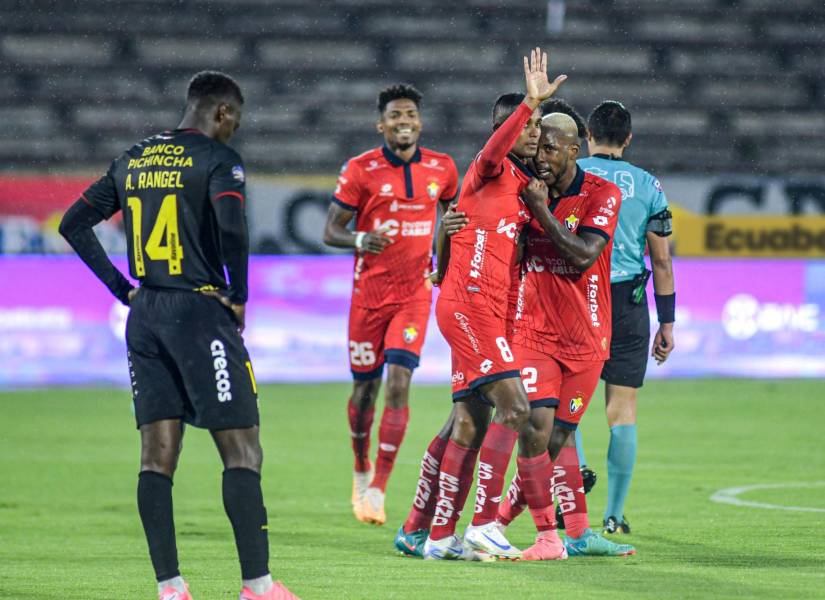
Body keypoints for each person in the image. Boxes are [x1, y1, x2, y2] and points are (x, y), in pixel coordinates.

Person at [59, 71, 298, 600]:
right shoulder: (218, 161)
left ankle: (171, 588)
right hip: (200, 310)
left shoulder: (134, 158)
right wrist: (239, 296)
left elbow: (73, 223)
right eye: (235, 118)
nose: (234, 128)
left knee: (156, 456)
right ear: (222, 113)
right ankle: (258, 587)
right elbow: (233, 228)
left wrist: (124, 290)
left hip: (145, 315)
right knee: (242, 449)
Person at [400, 48, 568, 561]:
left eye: (539, 124)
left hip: (489, 310)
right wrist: (529, 104)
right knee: (515, 408)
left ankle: (437, 536)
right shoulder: (489, 168)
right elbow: (494, 152)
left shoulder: (522, 187)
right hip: (470, 305)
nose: (534, 131)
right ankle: (485, 524)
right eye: (529, 124)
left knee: (468, 422)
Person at [494, 113, 635, 557]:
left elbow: (584, 256)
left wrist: (539, 210)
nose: (539, 159)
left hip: (588, 341)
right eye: (536, 149)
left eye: (550, 150)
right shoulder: (523, 191)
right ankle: (543, 535)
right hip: (533, 333)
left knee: (553, 443)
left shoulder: (602, 194)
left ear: (575, 150)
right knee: (534, 429)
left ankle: (502, 524)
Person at [322, 84, 459, 526]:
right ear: (381, 125)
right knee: (365, 392)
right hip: (369, 298)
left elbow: (454, 221)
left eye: (411, 114)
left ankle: (379, 487)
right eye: (395, 116)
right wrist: (360, 238)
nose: (404, 121)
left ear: (420, 121)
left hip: (414, 295)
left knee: (399, 383)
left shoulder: (443, 168)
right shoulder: (361, 170)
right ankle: (360, 468)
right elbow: (330, 230)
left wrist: (447, 262)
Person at [578, 100, 675, 535]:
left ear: (587, 135)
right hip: (629, 303)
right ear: (629, 139)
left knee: (567, 403)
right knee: (623, 410)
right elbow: (663, 261)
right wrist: (667, 322)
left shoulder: (569, 172)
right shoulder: (649, 185)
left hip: (578, 296)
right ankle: (614, 516)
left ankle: (572, 481)